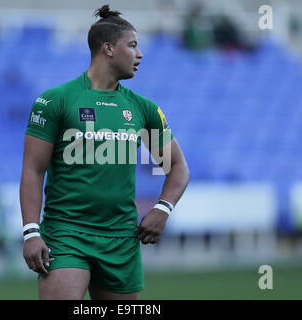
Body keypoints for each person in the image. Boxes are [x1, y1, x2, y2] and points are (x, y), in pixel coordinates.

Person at [20, 4, 190, 300]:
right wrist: (31, 232)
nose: (140, 55)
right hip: (66, 233)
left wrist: (163, 208)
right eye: (133, 45)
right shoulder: (57, 101)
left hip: (121, 238)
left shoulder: (142, 109)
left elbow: (176, 167)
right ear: (108, 49)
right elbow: (33, 171)